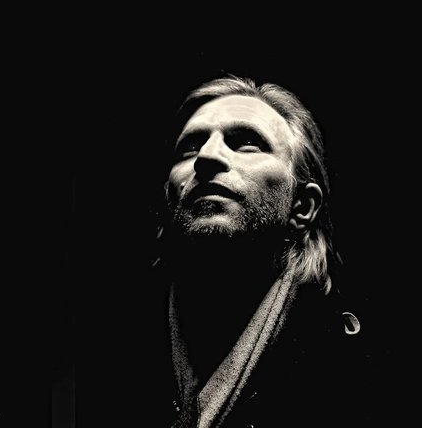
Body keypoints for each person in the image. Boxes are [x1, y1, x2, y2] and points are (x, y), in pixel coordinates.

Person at [144, 75, 368, 427]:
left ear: (302, 207)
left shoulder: (355, 372)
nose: (206, 156)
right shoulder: (114, 350)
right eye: (189, 148)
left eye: (247, 143)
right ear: (168, 198)